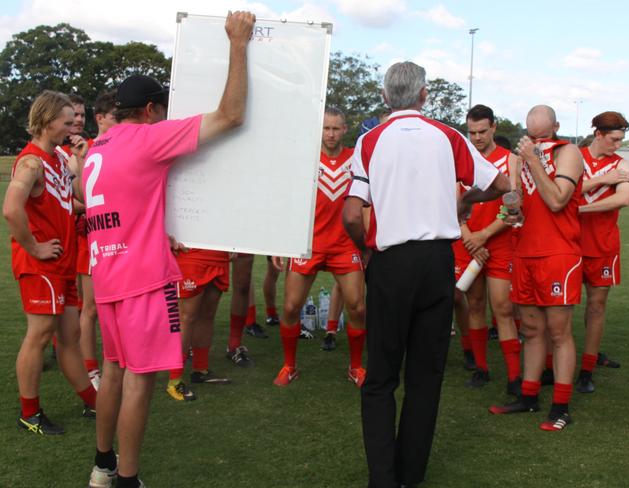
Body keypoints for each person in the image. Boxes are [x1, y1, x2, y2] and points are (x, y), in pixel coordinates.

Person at [84, 11, 255, 488]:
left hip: (108, 275)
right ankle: (128, 478)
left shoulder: (98, 147)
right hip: (143, 279)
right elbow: (231, 115)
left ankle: (102, 466)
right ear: (152, 109)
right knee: (140, 379)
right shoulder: (147, 137)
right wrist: (238, 43)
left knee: (115, 372)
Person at [343, 61, 508, 488]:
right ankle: (410, 476)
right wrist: (466, 199)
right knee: (424, 376)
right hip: (437, 261)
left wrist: (366, 251)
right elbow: (501, 184)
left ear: (385, 97)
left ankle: (382, 478)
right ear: (423, 95)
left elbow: (350, 215)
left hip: (390, 263)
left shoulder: (369, 140)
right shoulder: (449, 136)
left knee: (380, 377)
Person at [3, 90, 96, 435]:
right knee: (40, 335)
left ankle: (93, 402)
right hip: (40, 266)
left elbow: (67, 201)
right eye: (66, 119)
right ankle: (30, 413)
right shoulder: (30, 162)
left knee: (69, 336)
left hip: (63, 264)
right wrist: (36, 247)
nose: (73, 125)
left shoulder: (58, 158)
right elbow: (12, 208)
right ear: (46, 120)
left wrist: (91, 206)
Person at [489, 105, 584, 432]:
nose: (535, 141)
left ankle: (561, 406)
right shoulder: (520, 159)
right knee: (530, 329)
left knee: (559, 332)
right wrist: (511, 215)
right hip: (525, 253)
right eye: (530, 136)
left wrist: (533, 159)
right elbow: (518, 207)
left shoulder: (568, 152)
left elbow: (558, 199)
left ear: (555, 127)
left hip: (558, 255)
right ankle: (528, 395)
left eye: (541, 135)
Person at [272, 106, 367, 387]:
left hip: (344, 245)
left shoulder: (357, 160)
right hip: (308, 245)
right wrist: (282, 242)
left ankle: (356, 367)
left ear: (345, 129)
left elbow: (367, 204)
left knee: (358, 308)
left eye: (336, 128)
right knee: (290, 307)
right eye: (326, 128)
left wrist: (368, 241)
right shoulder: (305, 159)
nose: (330, 133)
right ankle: (289, 366)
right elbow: (289, 202)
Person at [456, 104, 521, 396]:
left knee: (503, 307)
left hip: (499, 242)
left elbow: (514, 209)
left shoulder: (512, 161)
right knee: (475, 305)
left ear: (494, 127)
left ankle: (514, 376)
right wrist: (469, 236)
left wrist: (483, 235)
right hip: (467, 242)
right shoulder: (460, 161)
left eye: (482, 131)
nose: (477, 137)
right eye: (472, 132)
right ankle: (481, 368)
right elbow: (451, 205)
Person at [576, 112, 629, 393]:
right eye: (614, 139)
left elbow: (623, 198)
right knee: (557, 309)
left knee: (596, 306)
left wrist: (579, 209)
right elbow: (565, 189)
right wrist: (602, 179)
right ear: (598, 133)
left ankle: (587, 370)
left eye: (621, 139)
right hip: (570, 244)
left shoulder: (622, 164)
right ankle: (550, 365)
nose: (618, 145)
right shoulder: (573, 157)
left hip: (603, 246)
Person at [78, 90, 118, 390]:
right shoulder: (89, 149)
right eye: (115, 116)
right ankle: (91, 368)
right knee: (91, 306)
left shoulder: (118, 147)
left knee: (113, 304)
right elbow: (78, 200)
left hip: (114, 236)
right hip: (92, 237)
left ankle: (114, 361)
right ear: (100, 118)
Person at [166, 247, 233, 401]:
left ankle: (200, 369)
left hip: (219, 255)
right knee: (187, 317)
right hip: (191, 253)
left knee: (207, 315)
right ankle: (174, 379)